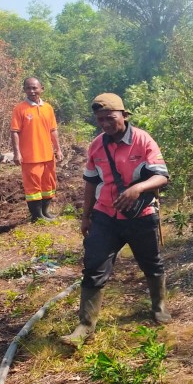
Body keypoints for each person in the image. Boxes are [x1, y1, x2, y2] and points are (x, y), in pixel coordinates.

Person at [61, 93, 171, 347]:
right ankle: (85, 326)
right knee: (94, 265)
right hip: (105, 216)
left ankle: (159, 306)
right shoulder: (96, 145)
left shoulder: (142, 140)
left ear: (123, 115)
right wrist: (86, 216)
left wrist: (137, 189)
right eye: (100, 119)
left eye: (110, 118)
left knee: (151, 263)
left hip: (140, 216)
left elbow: (162, 176)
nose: (105, 123)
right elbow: (91, 183)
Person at [10, 77, 63, 221]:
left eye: (34, 88)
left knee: (48, 184)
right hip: (30, 156)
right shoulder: (19, 109)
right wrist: (17, 153)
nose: (32, 91)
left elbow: (53, 130)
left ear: (42, 89)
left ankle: (45, 212)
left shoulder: (48, 108)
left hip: (48, 155)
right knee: (33, 187)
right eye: (28, 88)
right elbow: (14, 131)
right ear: (24, 90)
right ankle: (37, 216)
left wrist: (58, 149)